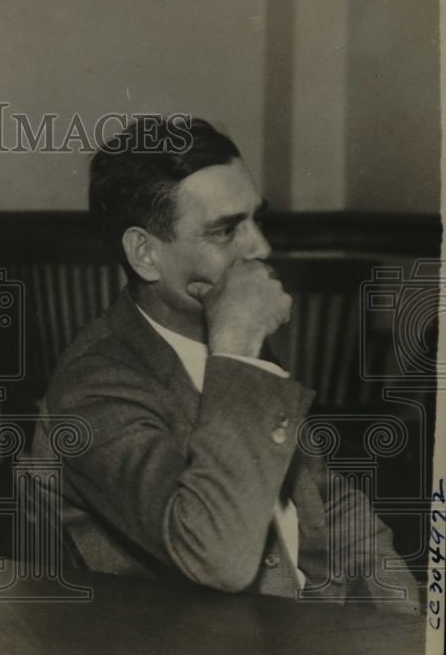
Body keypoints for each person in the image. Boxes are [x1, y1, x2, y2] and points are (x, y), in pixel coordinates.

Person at [32, 116, 418, 612]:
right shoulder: (93, 389)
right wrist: (237, 346)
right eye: (225, 230)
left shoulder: (221, 333)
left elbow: (330, 503)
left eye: (257, 219)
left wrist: (417, 626)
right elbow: (220, 558)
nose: (261, 247)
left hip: (315, 625)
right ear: (145, 254)